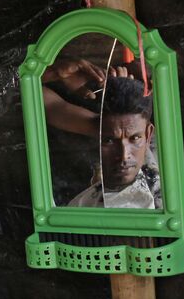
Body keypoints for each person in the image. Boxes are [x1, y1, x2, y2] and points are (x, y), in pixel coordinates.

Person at [67, 75, 160, 209]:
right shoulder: (80, 207)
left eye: (135, 138)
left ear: (148, 134)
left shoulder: (170, 193)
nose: (124, 155)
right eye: (110, 141)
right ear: (98, 136)